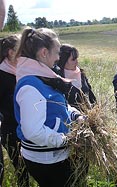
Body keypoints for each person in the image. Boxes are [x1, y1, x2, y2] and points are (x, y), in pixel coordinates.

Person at [14, 27, 84, 187]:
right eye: (57, 52)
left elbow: (58, 107)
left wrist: (76, 115)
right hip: (46, 160)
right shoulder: (31, 86)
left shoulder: (43, 77)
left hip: (53, 155)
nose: (59, 57)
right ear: (44, 53)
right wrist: (67, 140)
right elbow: (33, 131)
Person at [0, 34, 30, 187]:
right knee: (21, 168)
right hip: (10, 129)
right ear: (11, 52)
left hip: (26, 126)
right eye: (21, 50)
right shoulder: (2, 75)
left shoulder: (22, 71)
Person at [53, 44, 96, 110]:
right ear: (63, 61)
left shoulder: (81, 73)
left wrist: (96, 110)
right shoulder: (57, 79)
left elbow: (90, 95)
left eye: (76, 58)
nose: (77, 62)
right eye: (73, 59)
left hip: (87, 117)